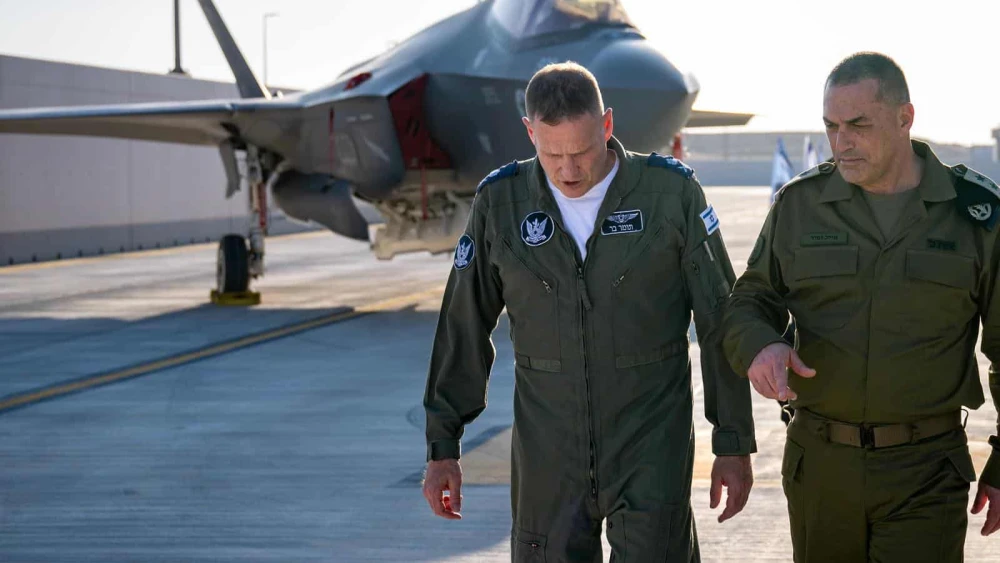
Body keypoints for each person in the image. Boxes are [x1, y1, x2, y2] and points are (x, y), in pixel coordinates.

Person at [421, 61, 757, 562]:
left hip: (651, 447)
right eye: (552, 153)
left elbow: (719, 319)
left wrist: (732, 441)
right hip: (548, 457)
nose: (569, 170)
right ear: (529, 132)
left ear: (607, 124)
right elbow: (462, 327)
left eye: (581, 151)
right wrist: (442, 447)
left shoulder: (669, 195)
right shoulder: (501, 203)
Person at [723, 51, 1000, 562]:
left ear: (904, 118)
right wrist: (760, 344)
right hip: (820, 465)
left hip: (926, 469)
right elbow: (750, 299)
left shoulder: (975, 215)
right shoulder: (799, 206)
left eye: (858, 125)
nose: (841, 141)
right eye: (831, 126)